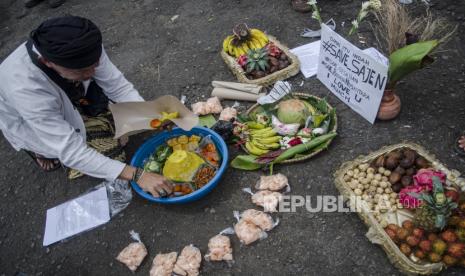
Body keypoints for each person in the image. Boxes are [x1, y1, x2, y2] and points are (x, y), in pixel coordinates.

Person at [0, 16, 173, 197]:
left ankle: (84, 111)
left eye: (95, 65)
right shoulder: (25, 88)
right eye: (81, 70)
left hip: (72, 98)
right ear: (47, 62)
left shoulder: (85, 45)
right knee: (111, 155)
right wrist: (138, 175)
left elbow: (116, 85)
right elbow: (72, 151)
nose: (91, 73)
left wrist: (149, 115)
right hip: (30, 121)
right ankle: (41, 152)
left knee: (129, 122)